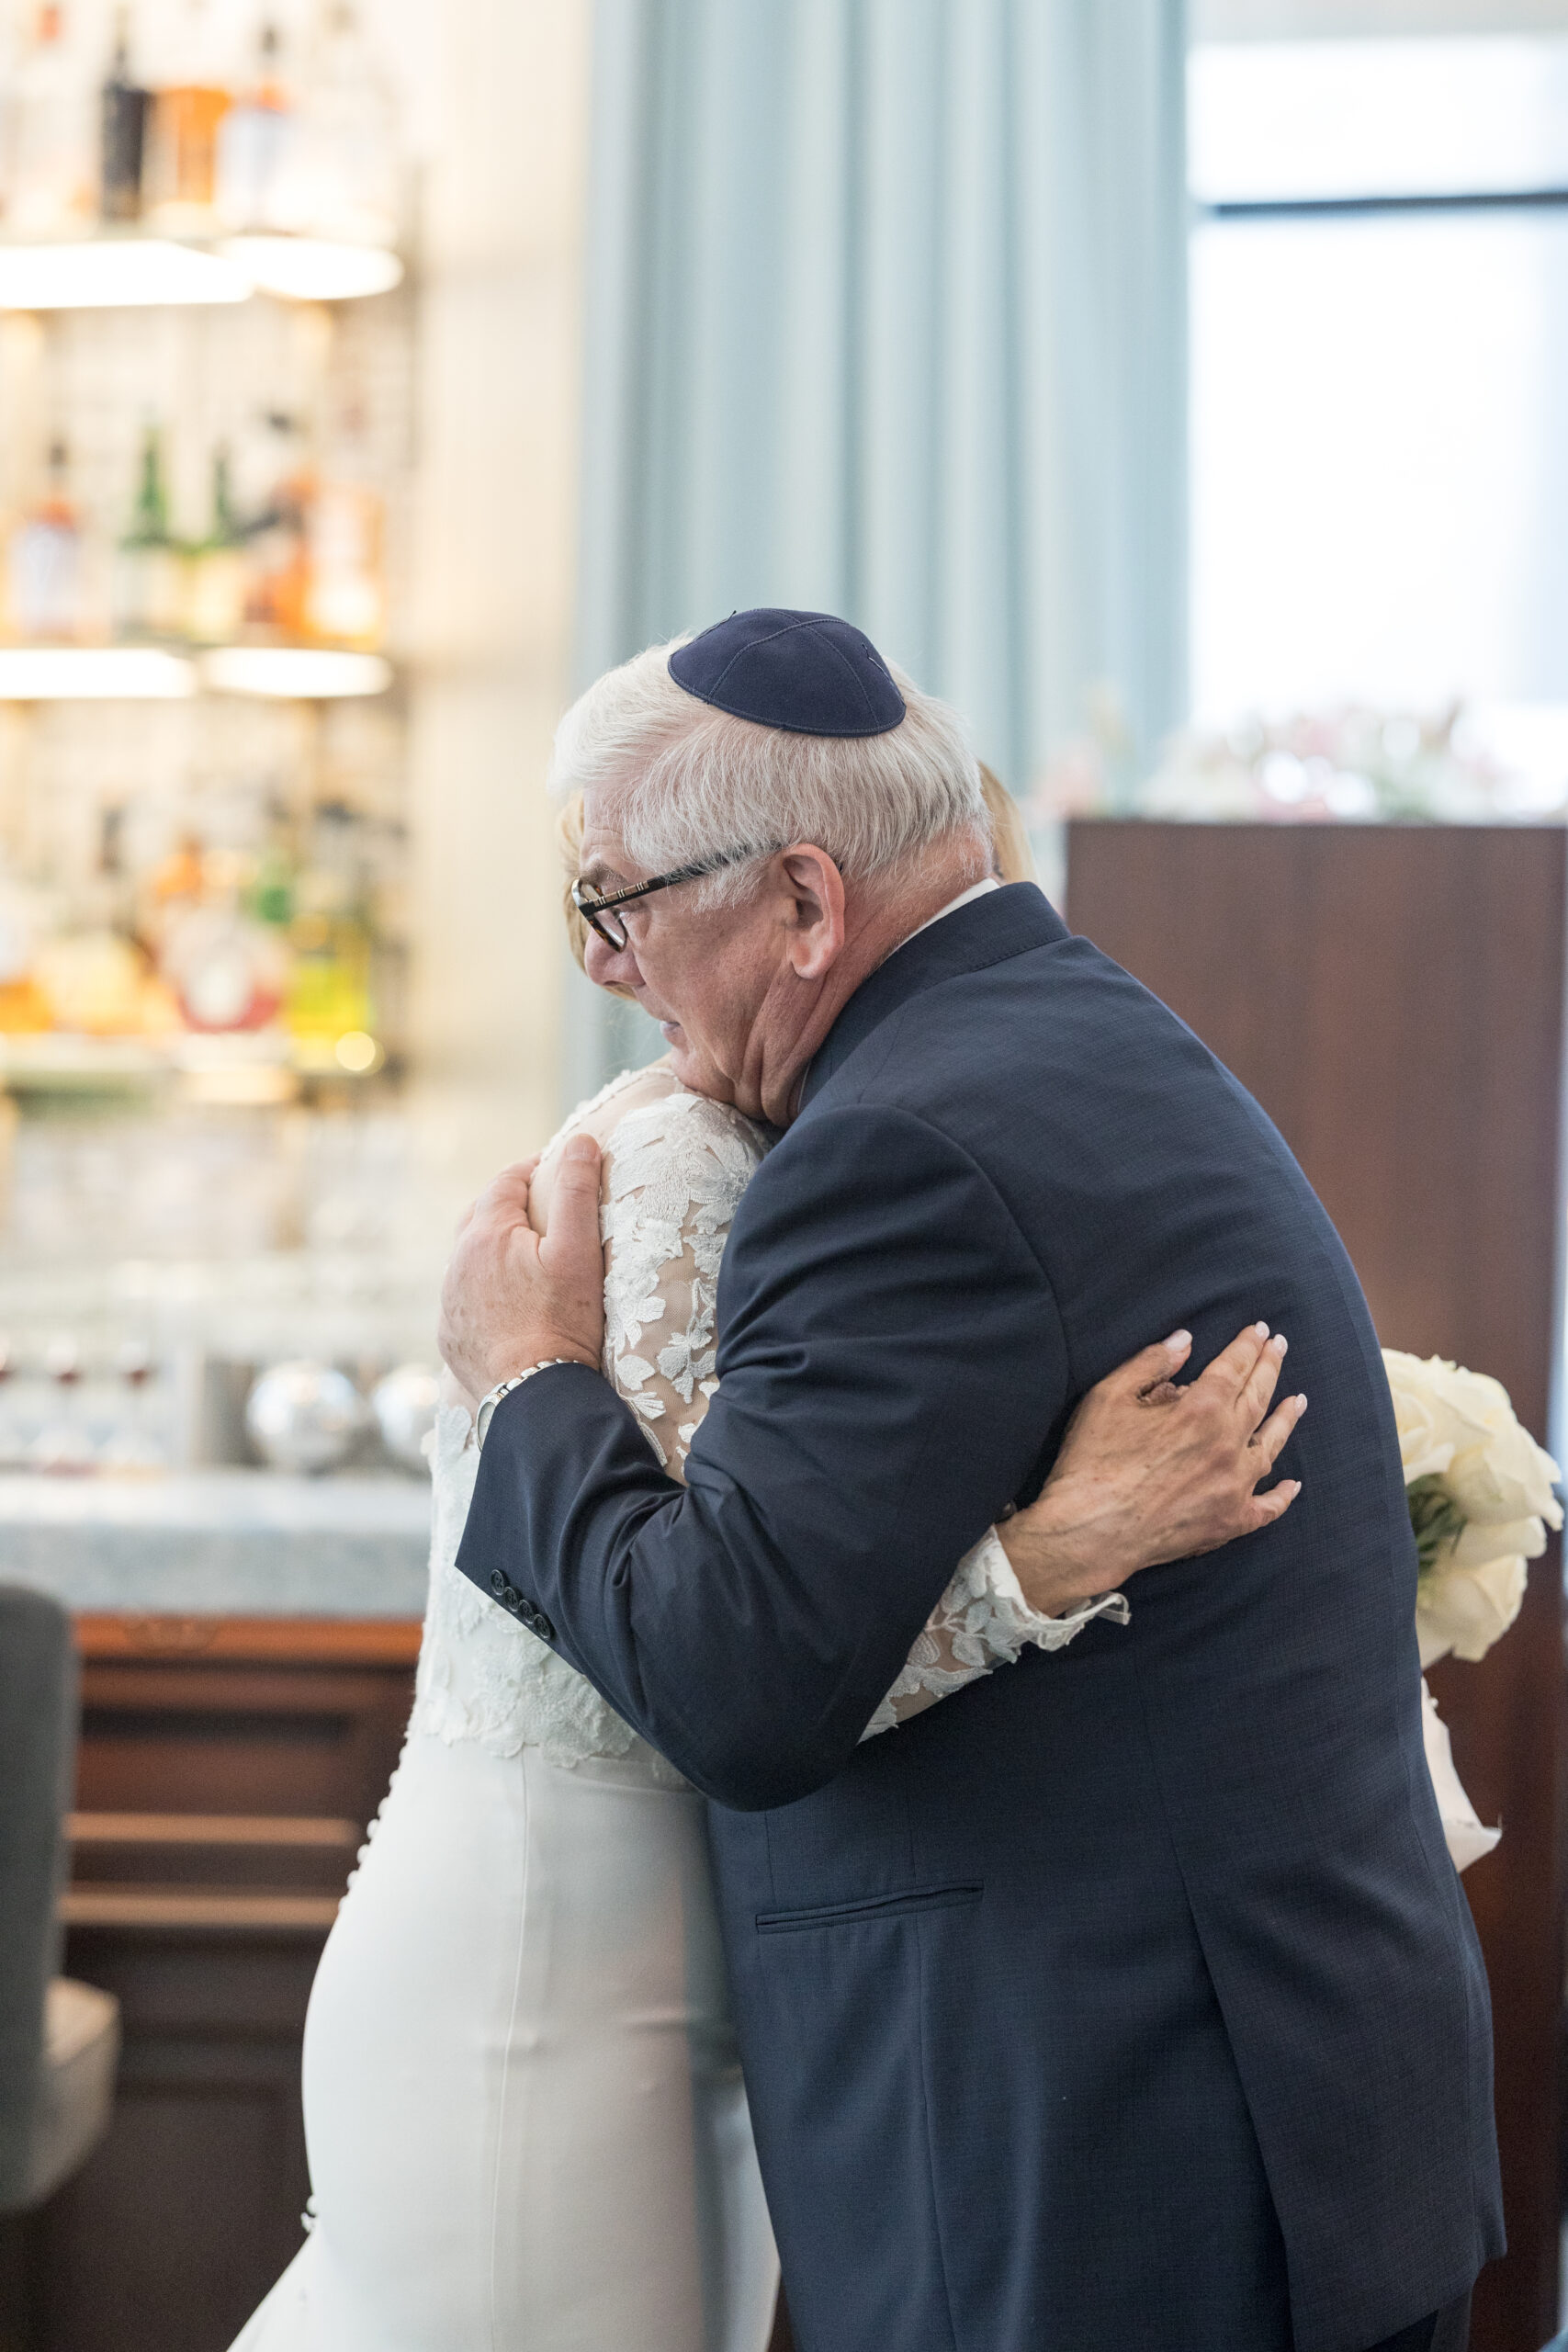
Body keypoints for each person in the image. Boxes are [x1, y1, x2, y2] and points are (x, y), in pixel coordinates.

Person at [441, 608, 1501, 2352]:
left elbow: (738, 1681)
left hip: (1118, 2171)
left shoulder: (896, 1149)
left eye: (618, 902)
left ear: (803, 904)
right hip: (1266, 2115)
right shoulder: (1080, 1036)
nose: (602, 966)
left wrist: (530, 1378)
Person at [228, 766, 1297, 2352]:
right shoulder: (674, 1168)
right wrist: (1043, 1558)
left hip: (674, 1963)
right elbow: (710, 1657)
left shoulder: (837, 1142)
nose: (601, 959)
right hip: (545, 1955)